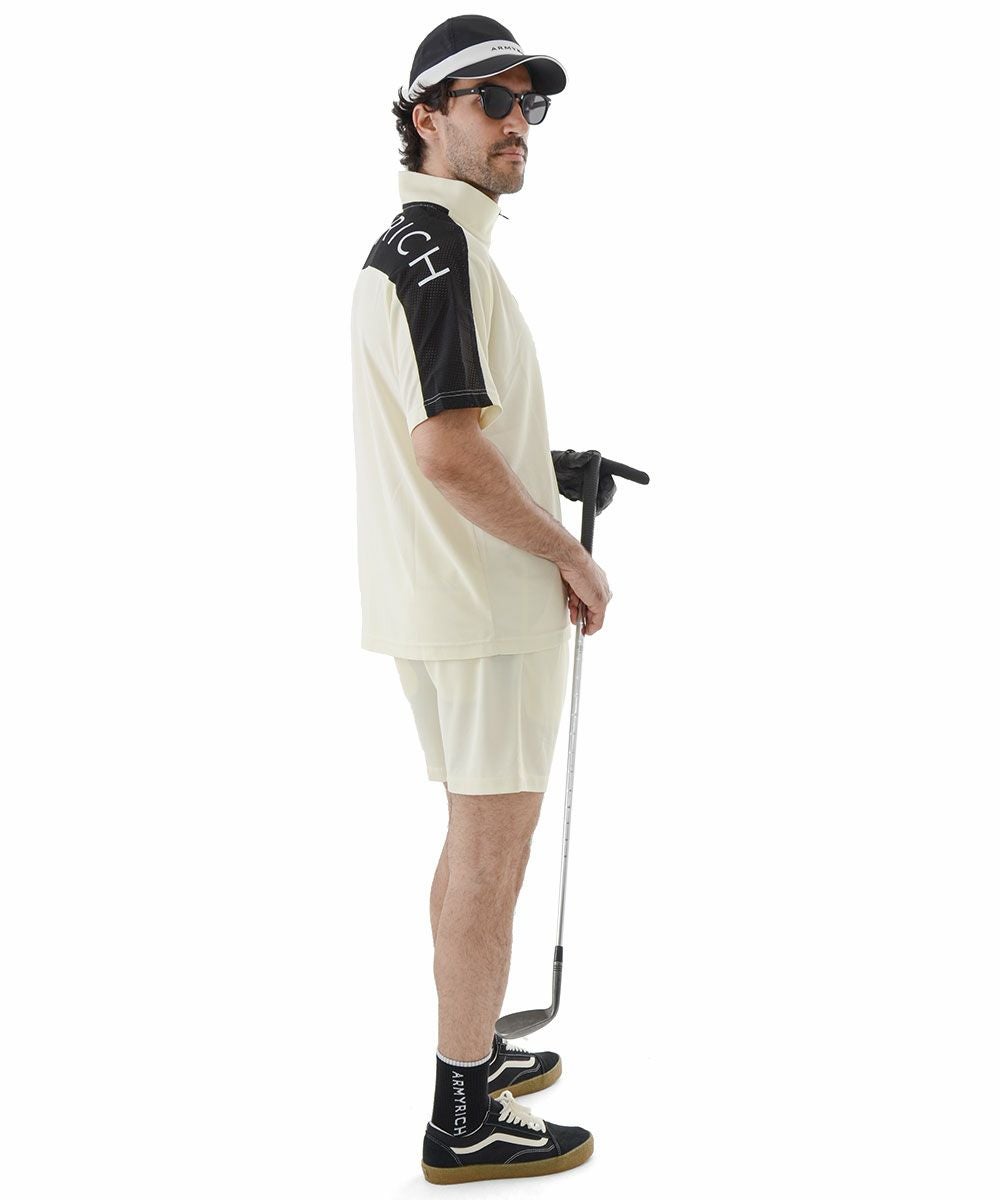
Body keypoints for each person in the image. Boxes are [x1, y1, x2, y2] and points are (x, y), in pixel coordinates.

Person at [350, 15, 611, 1185]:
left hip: (444, 599)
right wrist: (569, 554)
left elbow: (461, 439)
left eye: (528, 103)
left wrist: (548, 471)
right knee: (493, 859)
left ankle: (473, 1054)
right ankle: (463, 1114)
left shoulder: (414, 248)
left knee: (470, 847)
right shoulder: (441, 251)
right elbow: (448, 453)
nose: (517, 123)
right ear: (425, 117)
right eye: (489, 101)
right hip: (488, 609)